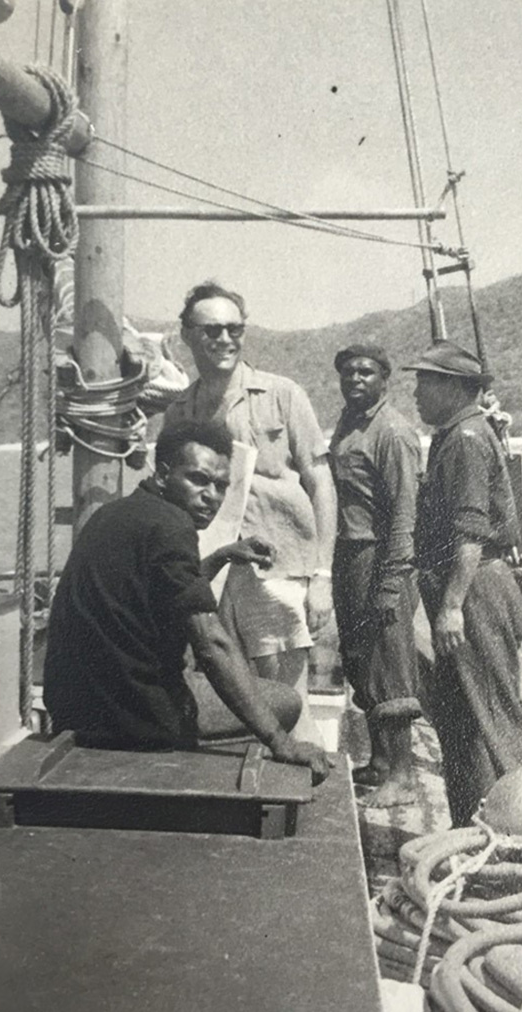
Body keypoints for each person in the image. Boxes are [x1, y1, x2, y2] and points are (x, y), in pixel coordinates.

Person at [43, 418, 331, 785]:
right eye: (198, 479)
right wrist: (280, 741)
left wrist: (222, 556)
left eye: (221, 485)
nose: (211, 495)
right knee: (286, 702)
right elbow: (212, 644)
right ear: (163, 474)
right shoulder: (172, 527)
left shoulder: (118, 513)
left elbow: (160, 593)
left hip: (74, 708)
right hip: (133, 717)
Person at [164, 283, 337, 747]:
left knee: (288, 698)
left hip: (277, 570)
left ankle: (314, 804)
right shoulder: (178, 411)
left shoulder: (283, 394)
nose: (225, 339)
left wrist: (322, 576)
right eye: (212, 329)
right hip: (212, 573)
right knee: (235, 697)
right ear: (187, 335)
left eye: (234, 328)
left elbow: (321, 482)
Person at [404, 341, 522, 825]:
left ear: (456, 388)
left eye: (425, 382)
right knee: (459, 720)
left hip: (475, 589)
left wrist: (453, 605)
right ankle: (470, 832)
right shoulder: (453, 435)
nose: (415, 393)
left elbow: (470, 534)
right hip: (464, 586)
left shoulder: (465, 440)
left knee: (494, 717)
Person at [329, 344, 422, 807]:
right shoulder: (349, 425)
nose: (356, 379)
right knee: (360, 657)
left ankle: (403, 776)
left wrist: (391, 582)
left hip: (382, 557)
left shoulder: (393, 432)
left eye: (366, 372)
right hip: (349, 553)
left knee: (390, 662)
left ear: (385, 379)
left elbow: (406, 512)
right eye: (348, 373)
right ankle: (382, 761)